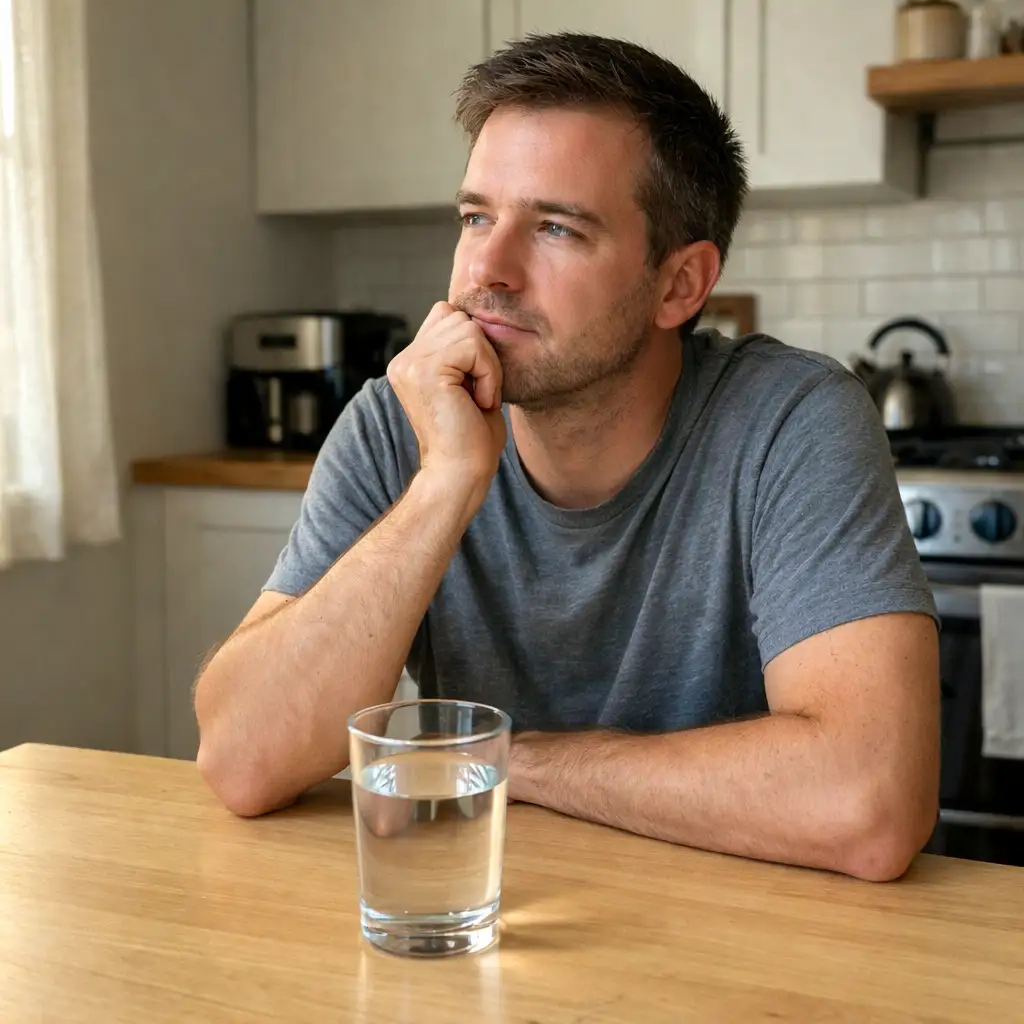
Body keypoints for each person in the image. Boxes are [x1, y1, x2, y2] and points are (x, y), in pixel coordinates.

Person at [194, 33, 940, 881]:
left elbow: (868, 803)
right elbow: (242, 760)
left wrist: (510, 762)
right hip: (488, 917)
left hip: (739, 930)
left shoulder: (791, 421)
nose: (488, 269)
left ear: (681, 285)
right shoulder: (399, 422)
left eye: (556, 227)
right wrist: (445, 484)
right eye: (476, 217)